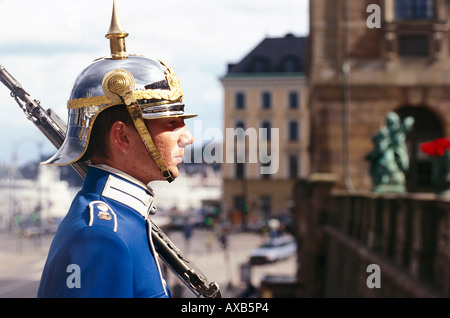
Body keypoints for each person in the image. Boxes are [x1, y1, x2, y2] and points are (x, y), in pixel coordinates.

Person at [37, 2, 195, 298]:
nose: (186, 137)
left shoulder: (122, 220)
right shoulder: (98, 235)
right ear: (121, 136)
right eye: (171, 123)